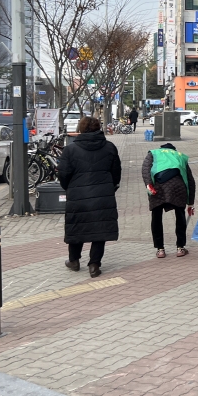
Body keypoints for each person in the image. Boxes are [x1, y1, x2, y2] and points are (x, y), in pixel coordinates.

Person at [57, 116, 122, 278]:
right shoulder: (109, 147)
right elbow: (116, 173)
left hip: (77, 195)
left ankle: (74, 261)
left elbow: (63, 174)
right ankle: (94, 264)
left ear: (81, 129)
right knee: (100, 230)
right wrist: (110, 187)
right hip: (102, 195)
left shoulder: (71, 150)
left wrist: (70, 188)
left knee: (76, 226)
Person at [142, 142, 196, 258]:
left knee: (156, 217)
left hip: (157, 187)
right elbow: (190, 180)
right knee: (180, 216)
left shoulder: (153, 153)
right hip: (178, 187)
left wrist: (148, 184)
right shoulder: (180, 155)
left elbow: (145, 169)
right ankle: (180, 248)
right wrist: (190, 203)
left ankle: (160, 249)